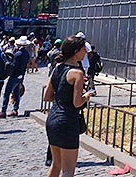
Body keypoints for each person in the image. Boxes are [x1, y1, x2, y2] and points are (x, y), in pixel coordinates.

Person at [44, 36, 95, 177]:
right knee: (68, 170)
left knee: (55, 165)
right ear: (76, 51)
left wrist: (62, 95)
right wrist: (87, 96)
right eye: (84, 49)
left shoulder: (57, 68)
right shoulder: (77, 73)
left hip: (53, 118)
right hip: (67, 121)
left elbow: (47, 96)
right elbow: (77, 103)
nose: (85, 52)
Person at [2, 35, 33, 117]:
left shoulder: (18, 54)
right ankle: (15, 109)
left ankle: (3, 110)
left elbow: (14, 66)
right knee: (16, 93)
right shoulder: (26, 53)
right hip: (21, 75)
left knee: (7, 93)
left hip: (15, 75)